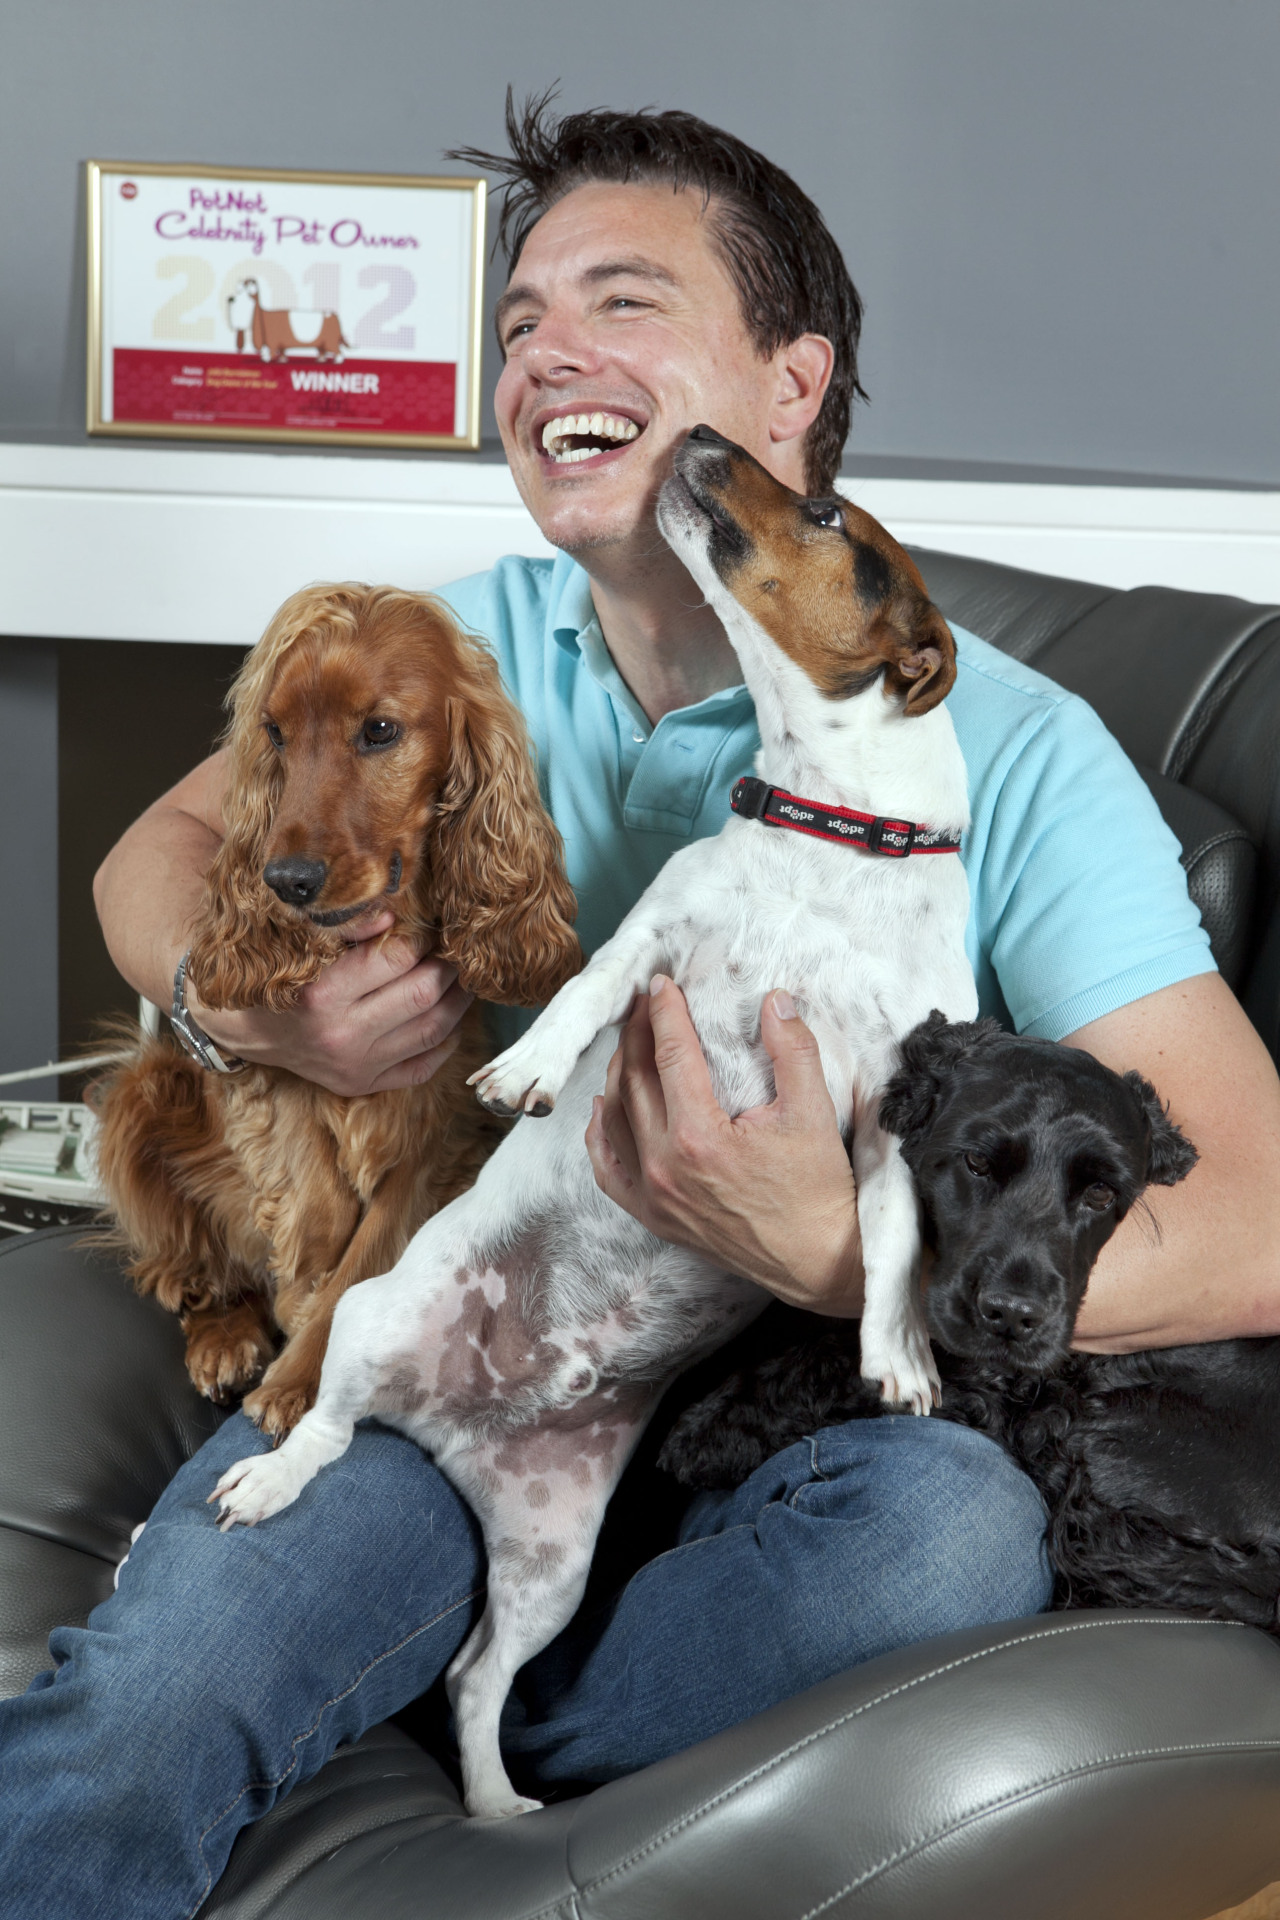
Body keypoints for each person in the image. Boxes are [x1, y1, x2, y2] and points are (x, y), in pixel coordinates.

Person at [4, 97, 1280, 1919]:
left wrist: (830, 1249)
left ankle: (475, 1703)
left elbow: (1262, 1216)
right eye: (521, 321)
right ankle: (344, 1662)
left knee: (949, 1541)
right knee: (148, 1721)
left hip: (795, 1417)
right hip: (483, 1338)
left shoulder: (1014, 752)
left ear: (789, 386)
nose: (547, 356)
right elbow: (162, 853)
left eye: (623, 303)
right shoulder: (460, 649)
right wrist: (246, 1014)